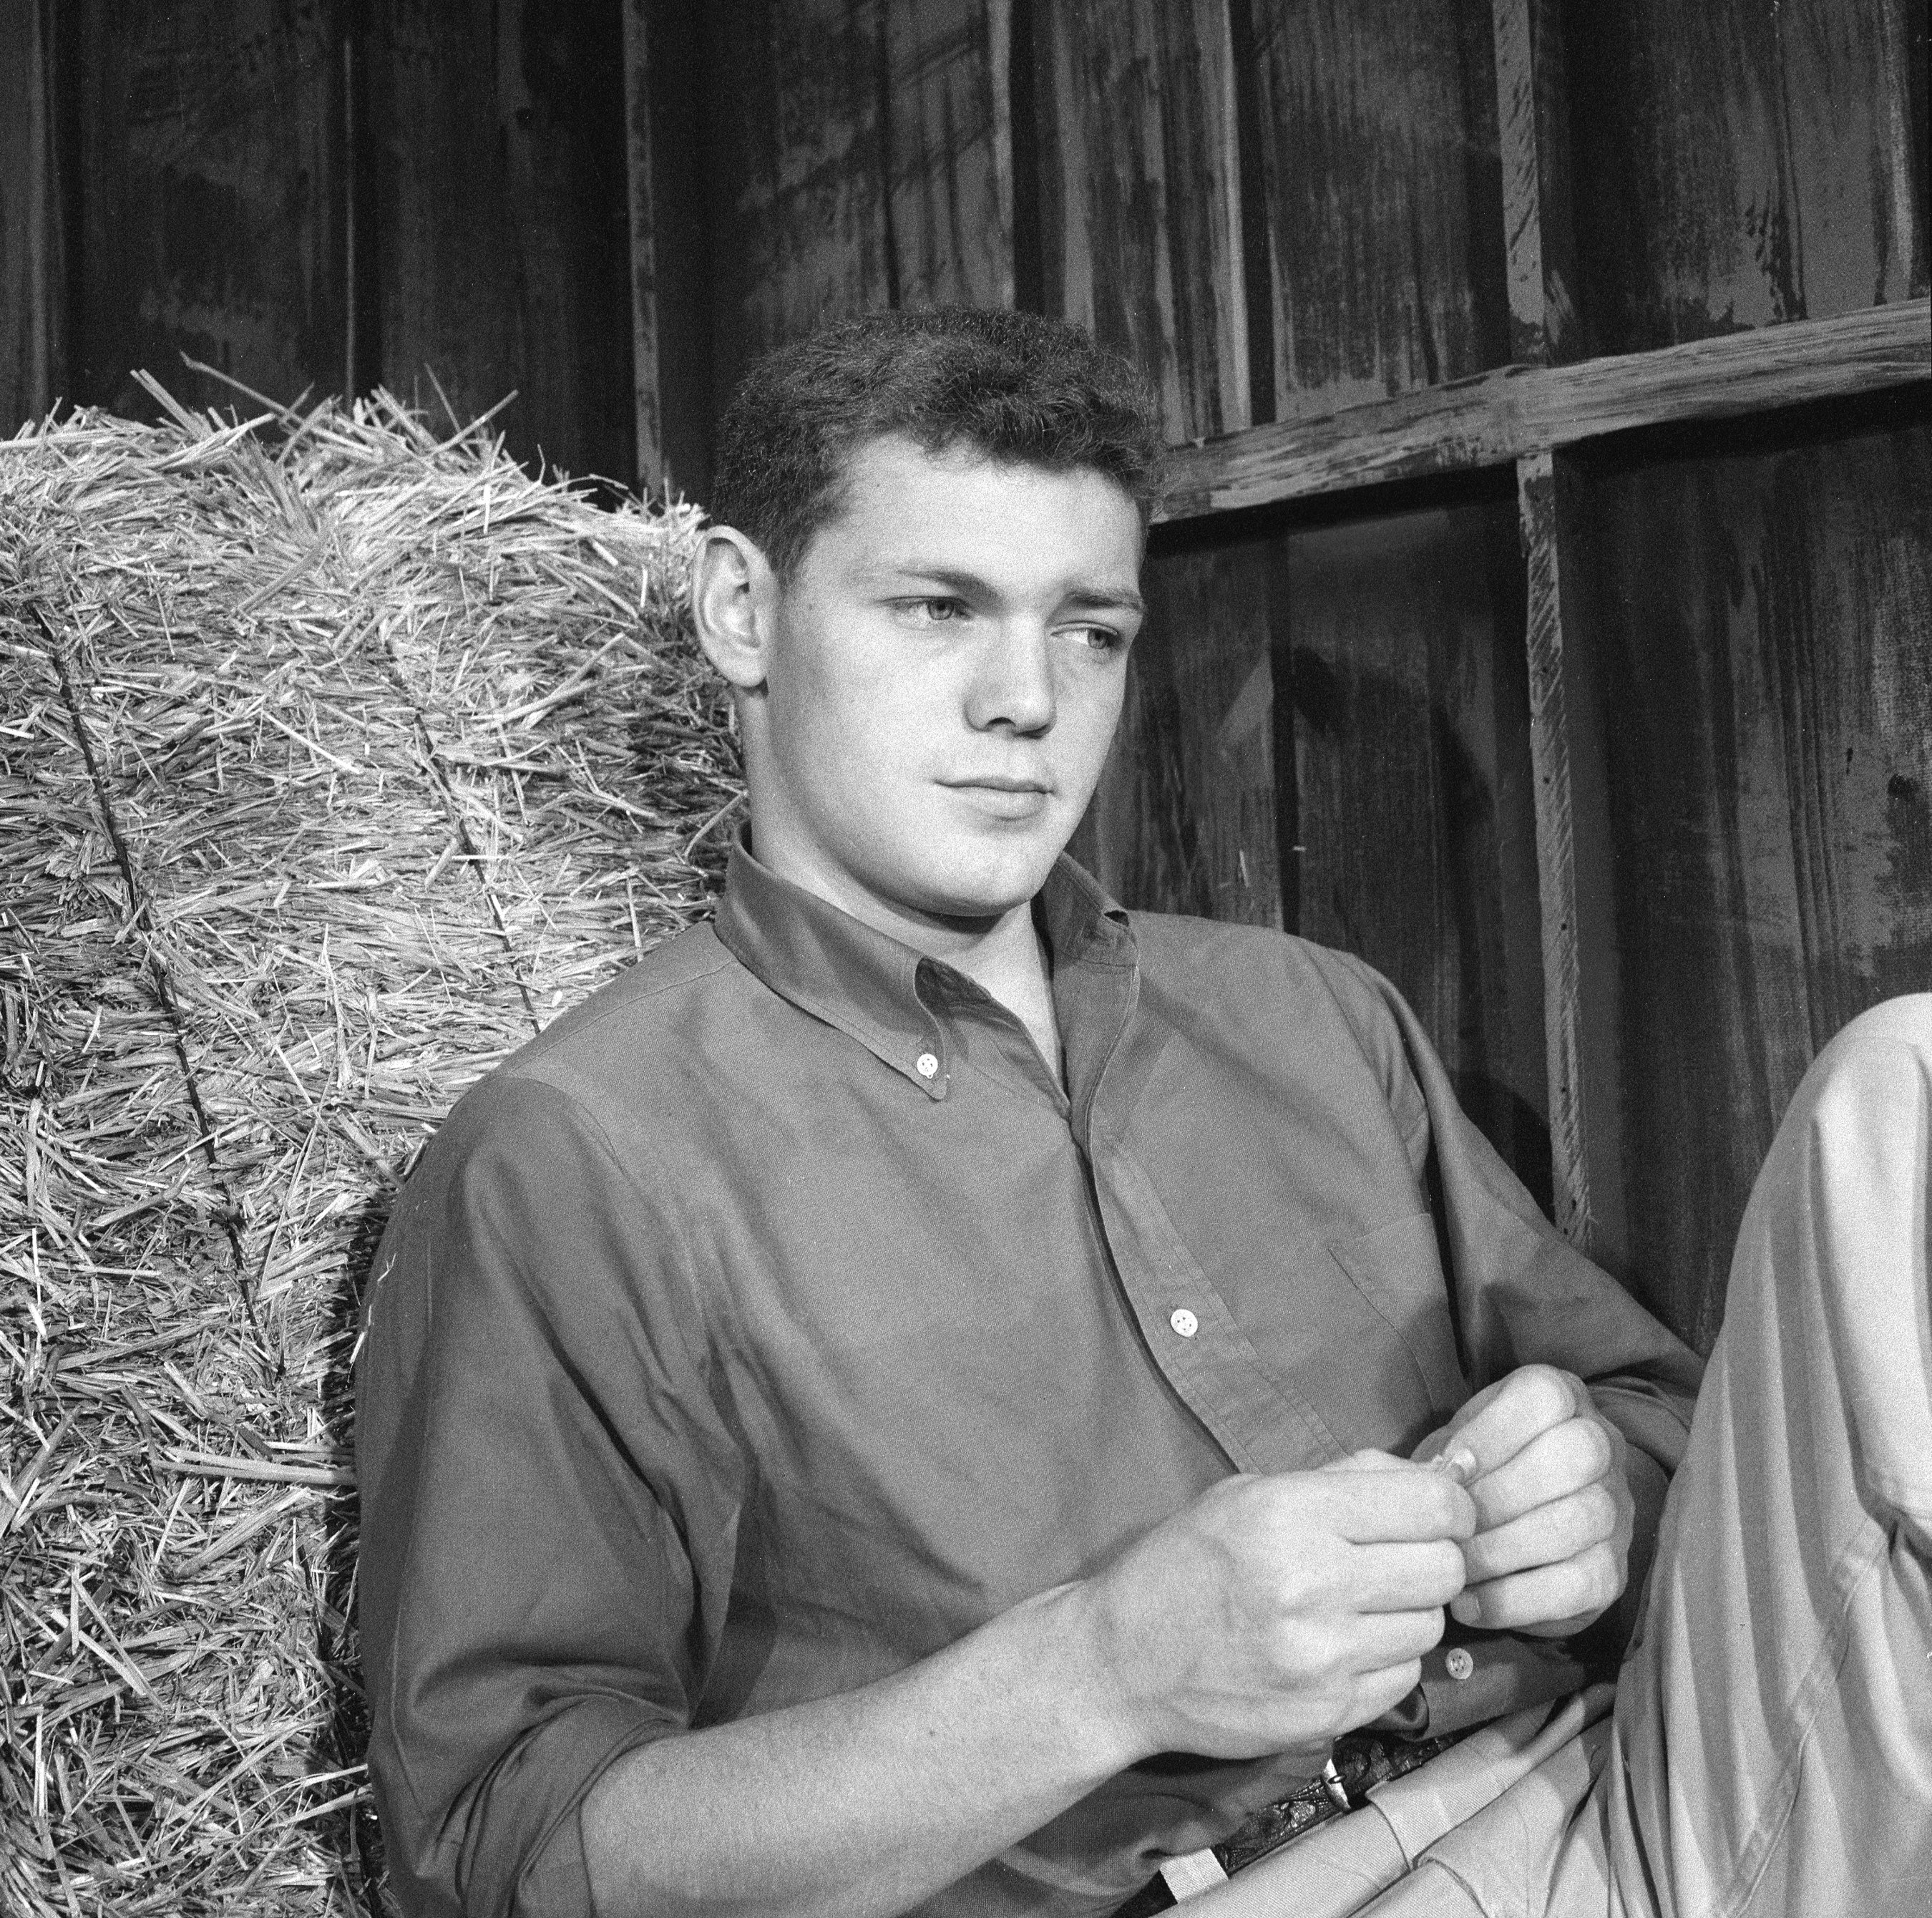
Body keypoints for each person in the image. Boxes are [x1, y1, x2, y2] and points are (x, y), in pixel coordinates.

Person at [353, 308, 1927, 1918]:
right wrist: (1100, 1670)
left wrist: (1602, 1486)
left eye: (1090, 629)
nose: (1028, 700)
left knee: (1914, 1085)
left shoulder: (1309, 1012)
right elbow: (507, 1851)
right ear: (745, 610)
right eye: (939, 607)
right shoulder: (574, 1158)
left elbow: (1669, 1418)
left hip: (1625, 1777)